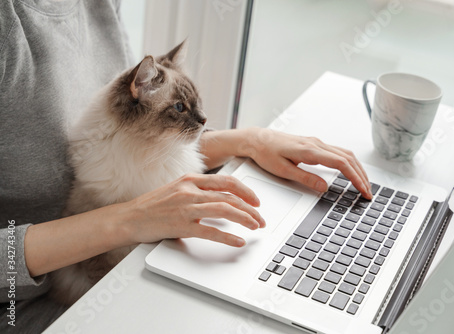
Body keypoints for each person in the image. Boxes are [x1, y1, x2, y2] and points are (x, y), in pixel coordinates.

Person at [0, 0, 372, 332]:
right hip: (28, 305)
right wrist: (128, 219)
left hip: (127, 260)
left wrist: (246, 141)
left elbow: (140, 141)